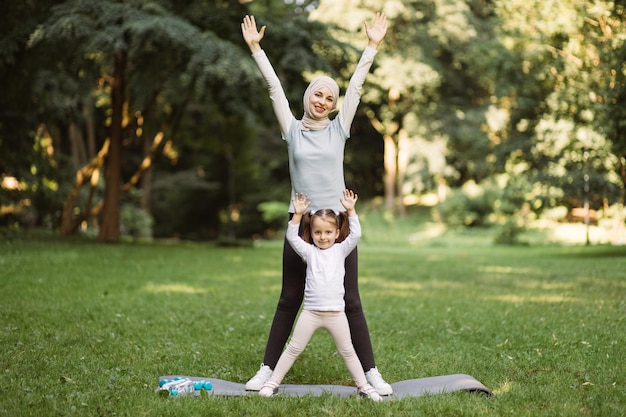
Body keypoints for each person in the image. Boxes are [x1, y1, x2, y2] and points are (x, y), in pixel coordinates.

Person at [241, 12, 393, 395]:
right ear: (307, 97)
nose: (323, 100)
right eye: (318, 94)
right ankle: (266, 370)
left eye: (329, 96)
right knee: (289, 298)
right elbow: (274, 88)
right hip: (301, 222)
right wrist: (257, 50)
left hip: (337, 226)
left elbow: (356, 89)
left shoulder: (339, 129)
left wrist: (371, 47)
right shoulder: (291, 130)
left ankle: (371, 372)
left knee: (351, 300)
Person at [258, 190, 381, 401]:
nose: (322, 237)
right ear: (312, 233)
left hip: (336, 315)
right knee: (293, 348)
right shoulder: (309, 252)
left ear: (336, 232)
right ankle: (272, 382)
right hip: (311, 314)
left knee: (348, 351)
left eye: (327, 232)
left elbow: (356, 235)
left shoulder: (341, 250)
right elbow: (291, 237)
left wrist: (351, 211)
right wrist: (297, 215)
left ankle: (364, 386)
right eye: (317, 233)